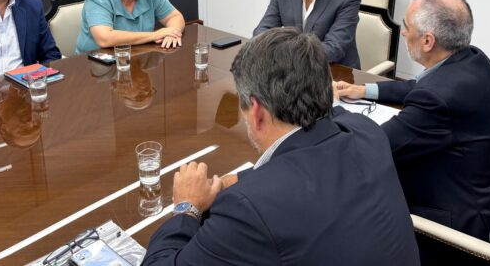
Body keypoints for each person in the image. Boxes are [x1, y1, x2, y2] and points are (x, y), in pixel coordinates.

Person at [142, 28, 420, 265]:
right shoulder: (367, 131)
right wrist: (231, 181)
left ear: (257, 112)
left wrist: (187, 207)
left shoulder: (248, 211)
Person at [334, 0, 490, 265]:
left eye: (406, 27)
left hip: (462, 229)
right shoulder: (471, 58)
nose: (402, 32)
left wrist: (331, 109)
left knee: (353, 200)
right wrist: (363, 90)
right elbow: (420, 86)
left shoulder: (438, 99)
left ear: (427, 41)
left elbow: (377, 145)